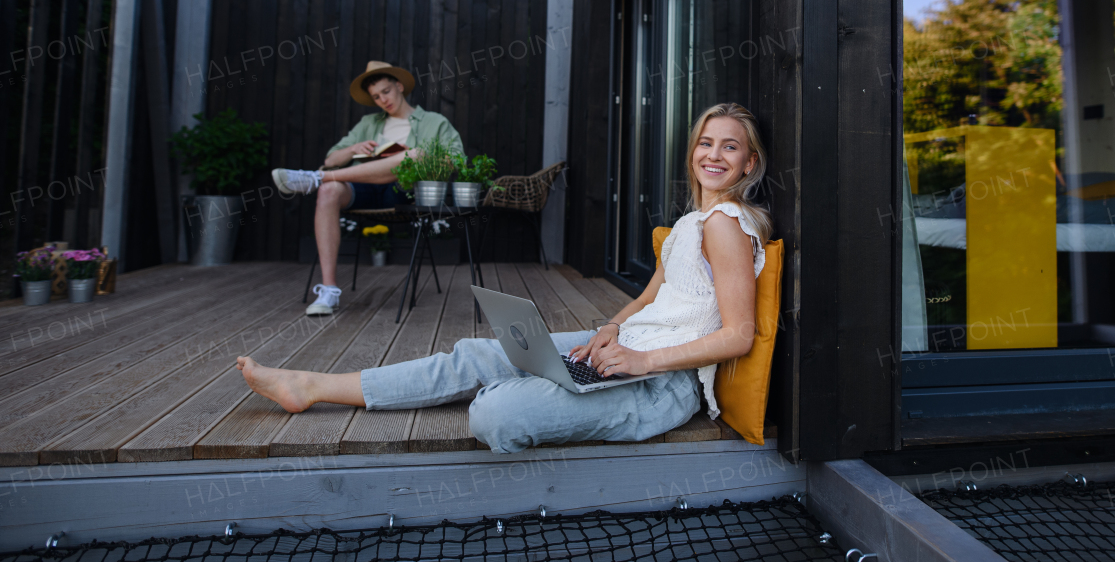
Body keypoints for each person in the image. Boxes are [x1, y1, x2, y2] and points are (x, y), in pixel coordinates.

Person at [240, 102, 771, 453]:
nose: (714, 155)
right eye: (706, 142)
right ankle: (310, 385)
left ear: (750, 163)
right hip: (627, 351)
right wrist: (611, 327)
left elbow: (737, 335)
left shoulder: (726, 225)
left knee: (496, 414)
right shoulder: (690, 223)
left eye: (730, 146)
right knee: (475, 354)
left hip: (663, 383)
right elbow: (655, 293)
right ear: (693, 151)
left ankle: (536, 385)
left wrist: (641, 359)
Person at [270, 60, 462, 316]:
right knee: (329, 192)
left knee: (414, 154)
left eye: (386, 91)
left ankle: (316, 178)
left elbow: (455, 159)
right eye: (376, 96)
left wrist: (412, 158)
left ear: (399, 86)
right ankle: (329, 290)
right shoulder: (368, 124)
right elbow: (331, 159)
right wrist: (353, 149)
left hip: (404, 189)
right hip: (365, 189)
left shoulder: (433, 122)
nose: (382, 100)